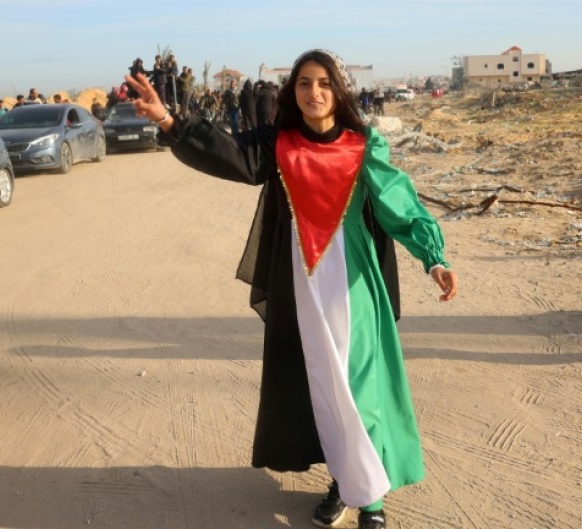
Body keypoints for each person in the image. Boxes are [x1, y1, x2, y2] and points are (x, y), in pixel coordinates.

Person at [125, 48, 458, 529]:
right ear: (292, 91)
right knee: (321, 387)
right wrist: (170, 121)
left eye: (323, 83)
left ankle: (372, 501)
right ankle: (344, 481)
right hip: (301, 284)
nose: (314, 92)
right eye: (304, 83)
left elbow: (398, 205)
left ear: (338, 90)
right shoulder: (277, 144)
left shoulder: (363, 145)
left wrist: (434, 258)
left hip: (354, 281)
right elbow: (232, 154)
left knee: (359, 382)